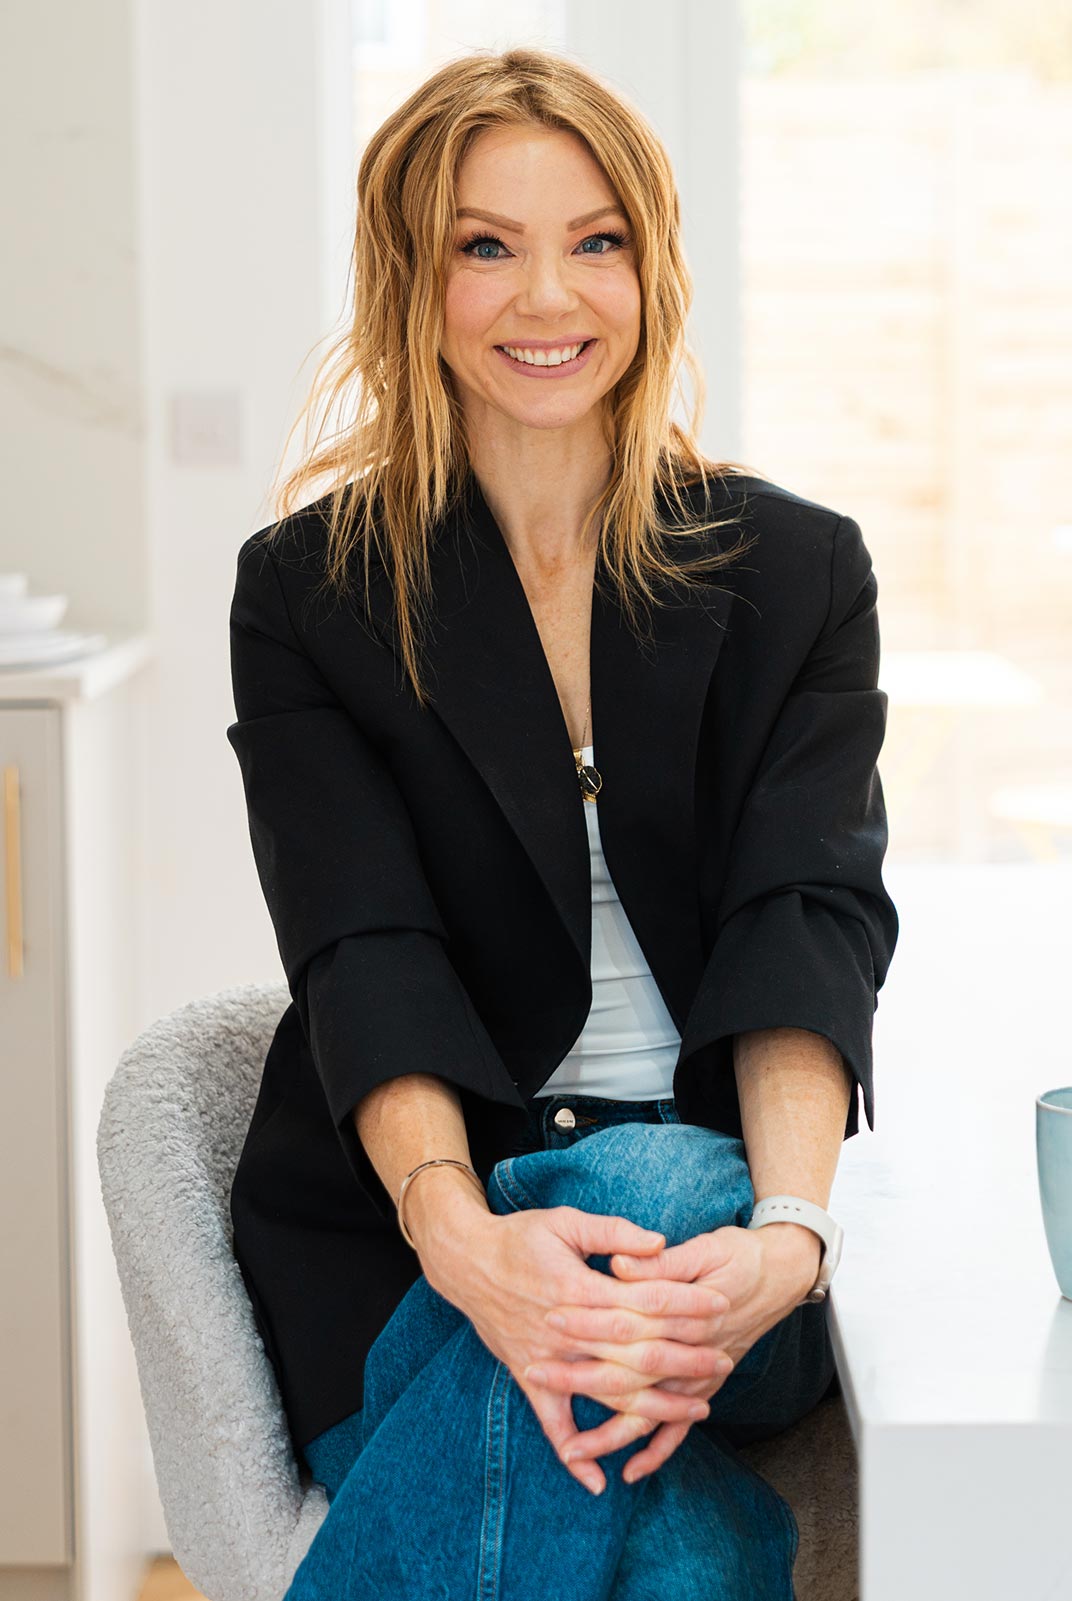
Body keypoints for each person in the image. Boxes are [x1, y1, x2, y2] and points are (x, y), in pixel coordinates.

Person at [225, 44, 900, 1601]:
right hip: (416, 1244)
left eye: (596, 241)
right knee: (683, 1560)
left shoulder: (798, 573)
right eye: (487, 245)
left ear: (649, 271)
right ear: (414, 279)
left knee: (650, 1187)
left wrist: (791, 1233)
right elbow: (363, 947)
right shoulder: (311, 594)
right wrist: (472, 1250)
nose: (548, 296)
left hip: (718, 1248)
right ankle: (707, 1535)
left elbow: (802, 923)